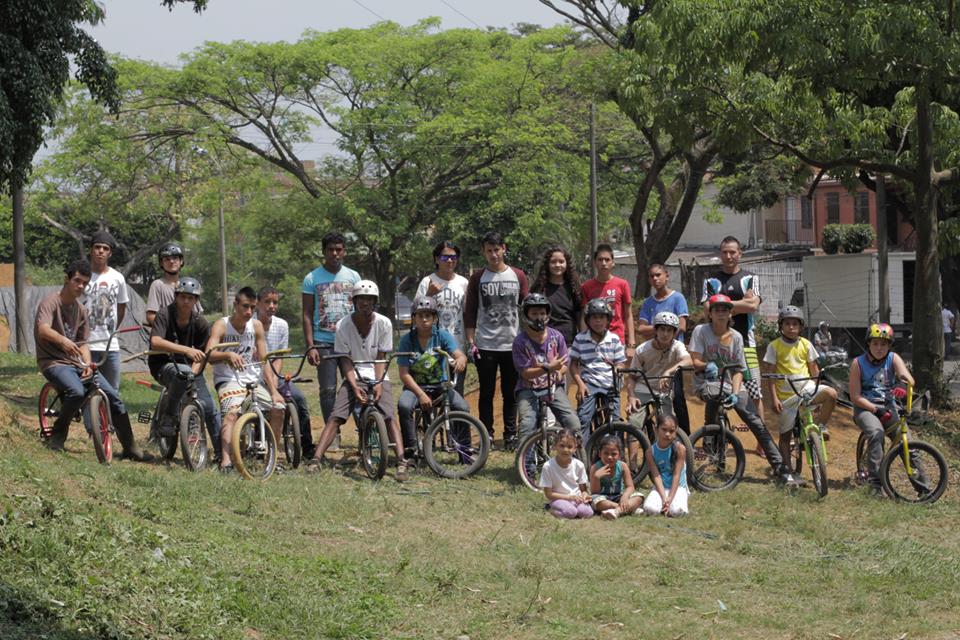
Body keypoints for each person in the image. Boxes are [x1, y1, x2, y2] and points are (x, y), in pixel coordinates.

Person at [35, 258, 150, 460]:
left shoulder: (81, 309)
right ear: (67, 279)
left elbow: (83, 343)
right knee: (77, 391)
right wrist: (63, 341)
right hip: (53, 361)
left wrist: (87, 363)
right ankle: (58, 435)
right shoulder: (50, 302)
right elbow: (43, 329)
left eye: (85, 283)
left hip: (76, 363)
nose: (81, 286)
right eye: (77, 281)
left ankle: (130, 447)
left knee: (113, 397)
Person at [689, 294, 798, 486]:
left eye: (725, 310)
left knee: (755, 421)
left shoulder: (737, 337)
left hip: (731, 384)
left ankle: (780, 468)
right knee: (714, 399)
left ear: (731, 314)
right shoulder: (701, 331)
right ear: (710, 314)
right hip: (706, 382)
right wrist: (706, 365)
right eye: (717, 310)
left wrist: (735, 392)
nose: (721, 313)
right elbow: (695, 361)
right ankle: (711, 441)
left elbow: (738, 370)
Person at [307, 281, 410, 481]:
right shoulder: (343, 325)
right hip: (354, 373)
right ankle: (316, 459)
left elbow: (381, 356)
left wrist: (378, 382)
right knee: (337, 416)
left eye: (370, 299)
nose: (365, 303)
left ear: (375, 302)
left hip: (378, 373)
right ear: (354, 301)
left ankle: (401, 461)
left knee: (389, 415)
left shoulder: (384, 323)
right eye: (361, 299)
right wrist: (354, 387)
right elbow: (345, 359)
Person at [207, 287, 285, 472]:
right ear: (235, 304)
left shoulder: (256, 326)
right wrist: (227, 355)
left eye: (252, 307)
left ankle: (271, 459)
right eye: (245, 306)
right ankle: (226, 462)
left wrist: (274, 391)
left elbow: (264, 361)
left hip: (252, 380)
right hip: (228, 379)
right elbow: (208, 354)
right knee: (231, 413)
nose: (249, 312)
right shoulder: (222, 325)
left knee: (278, 409)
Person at [464, 231, 529, 448]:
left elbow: (527, 309)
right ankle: (487, 434)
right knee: (486, 392)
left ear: (504, 249)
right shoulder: (478, 278)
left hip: (512, 344)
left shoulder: (518, 275)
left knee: (510, 393)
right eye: (489, 250)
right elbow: (470, 311)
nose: (493, 254)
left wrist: (528, 340)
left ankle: (510, 434)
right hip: (486, 344)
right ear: (483, 252)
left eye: (497, 249)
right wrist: (471, 342)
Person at [148, 277, 220, 458]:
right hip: (163, 365)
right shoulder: (164, 314)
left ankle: (222, 456)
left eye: (191, 298)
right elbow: (155, 341)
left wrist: (194, 374)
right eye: (183, 297)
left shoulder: (200, 322)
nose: (186, 301)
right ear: (176, 297)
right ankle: (168, 417)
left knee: (210, 408)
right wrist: (187, 350)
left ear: (196, 300)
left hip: (190, 369)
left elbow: (202, 355)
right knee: (183, 372)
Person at [302, 232, 361, 448]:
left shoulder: (353, 277)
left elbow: (361, 310)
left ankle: (364, 432)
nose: (335, 253)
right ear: (324, 251)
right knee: (328, 390)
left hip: (349, 343)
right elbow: (307, 314)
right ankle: (332, 435)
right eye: (330, 249)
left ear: (344, 251)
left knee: (357, 386)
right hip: (323, 342)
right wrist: (311, 346)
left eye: (339, 249)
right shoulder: (312, 279)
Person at [849, 323, 922, 493]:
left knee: (909, 445)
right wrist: (876, 410)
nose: (879, 348)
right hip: (866, 408)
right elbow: (855, 396)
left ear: (889, 345)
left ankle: (924, 489)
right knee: (876, 434)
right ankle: (875, 485)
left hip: (889, 406)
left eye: (884, 344)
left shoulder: (893, 358)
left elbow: (909, 379)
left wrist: (903, 384)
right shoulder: (857, 363)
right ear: (868, 344)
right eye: (875, 343)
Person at [701, 236, 765, 424]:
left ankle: (763, 437)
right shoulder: (710, 280)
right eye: (725, 252)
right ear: (720, 254)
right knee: (715, 391)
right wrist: (741, 303)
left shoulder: (750, 278)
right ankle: (714, 434)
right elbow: (707, 310)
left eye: (732, 252)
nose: (729, 256)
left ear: (740, 253)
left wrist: (720, 305)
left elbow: (753, 306)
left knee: (754, 392)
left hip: (746, 344)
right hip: (716, 346)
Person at [762, 306, 838, 464]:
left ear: (800, 326)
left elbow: (814, 369)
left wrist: (816, 391)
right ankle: (787, 470)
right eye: (787, 323)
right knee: (785, 437)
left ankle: (820, 427)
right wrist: (774, 399)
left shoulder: (806, 344)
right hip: (786, 397)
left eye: (795, 324)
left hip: (806, 390)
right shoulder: (774, 346)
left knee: (831, 394)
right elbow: (771, 375)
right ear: (781, 326)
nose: (791, 327)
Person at [396, 297, 469, 457]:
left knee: (462, 408)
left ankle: (465, 451)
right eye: (420, 315)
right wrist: (420, 394)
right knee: (404, 406)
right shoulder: (406, 340)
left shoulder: (442, 335)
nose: (424, 319)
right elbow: (404, 374)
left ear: (435, 318)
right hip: (415, 387)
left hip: (440, 386)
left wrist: (461, 360)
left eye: (428, 315)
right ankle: (410, 452)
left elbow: (459, 355)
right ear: (414, 318)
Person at [256, 286, 314, 459]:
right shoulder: (250, 324)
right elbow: (259, 359)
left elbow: (279, 357)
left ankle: (307, 447)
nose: (271, 306)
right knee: (259, 406)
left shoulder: (282, 325)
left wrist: (274, 379)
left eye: (275, 302)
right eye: (267, 302)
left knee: (299, 399)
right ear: (257, 303)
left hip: (275, 374)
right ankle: (258, 444)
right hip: (254, 376)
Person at [513, 293, 581, 443]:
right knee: (527, 425)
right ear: (526, 315)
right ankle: (526, 458)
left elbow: (564, 364)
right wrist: (548, 368)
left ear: (548, 315)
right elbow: (525, 373)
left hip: (553, 387)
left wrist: (559, 372)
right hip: (528, 388)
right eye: (534, 313)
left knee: (573, 423)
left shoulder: (557, 336)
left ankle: (574, 454)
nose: (539, 317)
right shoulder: (519, 342)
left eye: (542, 313)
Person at [569, 298, 626, 441]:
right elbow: (573, 365)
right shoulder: (580, 339)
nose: (598, 321)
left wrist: (617, 370)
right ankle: (583, 451)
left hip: (610, 383)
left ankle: (614, 450)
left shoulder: (614, 339)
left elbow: (621, 363)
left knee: (615, 421)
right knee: (583, 419)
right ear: (588, 320)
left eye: (602, 317)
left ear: (608, 320)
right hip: (588, 383)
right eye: (594, 317)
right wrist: (580, 384)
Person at [626, 312, 691, 429]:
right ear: (656, 330)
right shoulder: (642, 350)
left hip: (663, 391)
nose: (665, 334)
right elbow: (632, 377)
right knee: (634, 424)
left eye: (669, 330)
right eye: (662, 329)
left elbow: (688, 360)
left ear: (674, 333)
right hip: (643, 388)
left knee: (668, 425)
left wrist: (668, 372)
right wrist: (631, 397)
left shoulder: (677, 346)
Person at [81, 230, 129, 391]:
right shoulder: (82, 275)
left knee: (112, 390)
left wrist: (112, 328)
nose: (101, 251)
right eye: (97, 247)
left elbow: (121, 307)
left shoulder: (118, 278)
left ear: (110, 253)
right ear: (91, 250)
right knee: (85, 388)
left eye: (105, 248)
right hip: (85, 344)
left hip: (110, 345)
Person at [580, 244, 636, 357]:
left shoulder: (622, 284)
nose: (604, 263)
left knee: (618, 368)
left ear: (613, 263)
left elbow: (628, 315)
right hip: (593, 339)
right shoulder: (586, 286)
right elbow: (584, 315)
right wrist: (582, 339)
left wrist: (631, 343)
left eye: (607, 260)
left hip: (617, 338)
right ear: (595, 263)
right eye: (600, 260)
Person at [530, 245, 582, 349]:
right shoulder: (539, 288)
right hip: (544, 342)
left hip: (570, 343)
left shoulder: (573, 287)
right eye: (553, 262)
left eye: (561, 261)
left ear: (567, 264)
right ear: (547, 264)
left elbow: (579, 315)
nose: (557, 265)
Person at [539, 428, 593, 519]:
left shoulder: (579, 465)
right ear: (555, 446)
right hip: (558, 499)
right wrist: (569, 497)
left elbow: (583, 490)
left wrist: (585, 495)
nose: (565, 449)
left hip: (576, 499)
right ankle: (551, 509)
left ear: (575, 448)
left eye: (570, 447)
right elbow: (548, 494)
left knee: (587, 513)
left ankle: (572, 510)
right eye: (562, 446)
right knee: (571, 512)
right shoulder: (548, 466)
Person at [642, 415, 690, 517]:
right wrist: (664, 498)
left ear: (676, 431)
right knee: (649, 509)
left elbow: (676, 475)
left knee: (678, 511)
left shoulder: (680, 449)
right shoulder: (650, 452)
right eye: (664, 430)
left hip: (678, 487)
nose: (667, 434)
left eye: (671, 431)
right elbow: (656, 476)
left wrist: (670, 498)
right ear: (656, 429)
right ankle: (664, 506)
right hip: (661, 488)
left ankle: (669, 506)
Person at [145, 243, 201, 326]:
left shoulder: (190, 284)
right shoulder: (158, 285)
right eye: (167, 259)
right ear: (161, 263)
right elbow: (151, 316)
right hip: (167, 331)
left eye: (175, 258)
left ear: (181, 261)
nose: (171, 261)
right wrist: (169, 329)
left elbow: (198, 315)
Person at [589, 434, 643, 519]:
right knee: (596, 501)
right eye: (606, 453)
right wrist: (596, 477)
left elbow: (630, 486)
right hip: (603, 498)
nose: (609, 457)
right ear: (600, 454)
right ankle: (627, 508)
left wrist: (625, 496)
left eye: (614, 454)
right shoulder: (595, 468)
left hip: (618, 497)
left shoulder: (623, 466)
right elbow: (595, 492)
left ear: (619, 455)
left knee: (639, 497)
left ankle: (616, 511)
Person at [636, 263, 688, 341]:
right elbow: (641, 328)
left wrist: (664, 340)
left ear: (667, 276)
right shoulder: (647, 302)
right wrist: (662, 328)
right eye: (652, 276)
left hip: (674, 345)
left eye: (658, 275)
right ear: (649, 280)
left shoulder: (678, 298)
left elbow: (682, 326)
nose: (655, 278)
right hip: (654, 346)